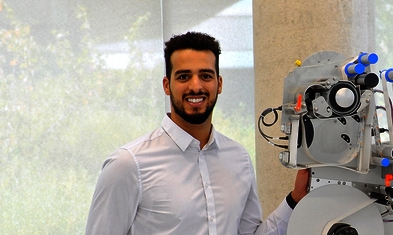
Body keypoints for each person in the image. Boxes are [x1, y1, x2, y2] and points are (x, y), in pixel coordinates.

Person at [85, 31, 308, 235]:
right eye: (183, 76)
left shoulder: (238, 158)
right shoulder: (128, 164)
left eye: (206, 76)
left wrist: (295, 199)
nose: (196, 86)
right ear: (166, 85)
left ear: (219, 84)